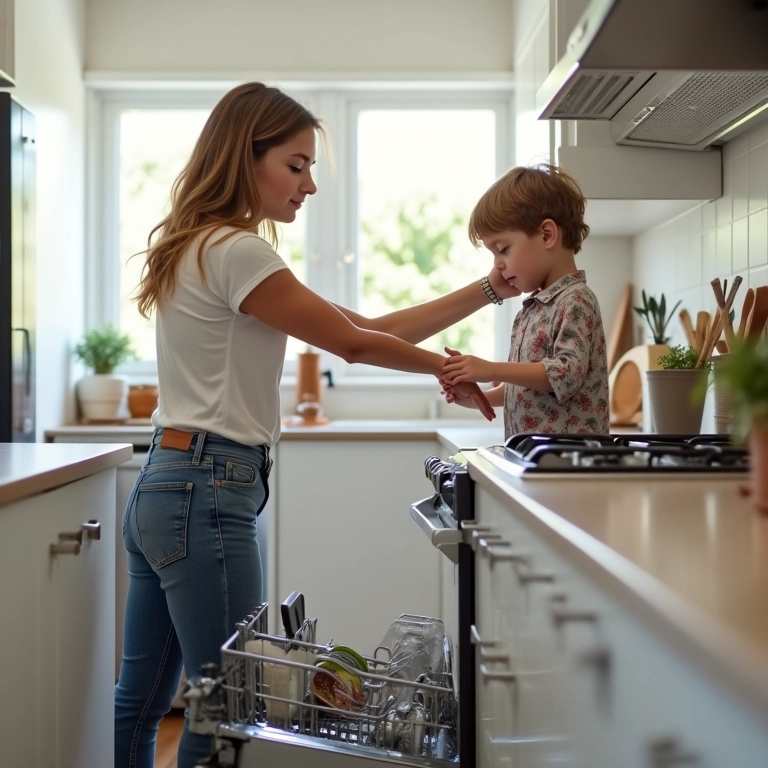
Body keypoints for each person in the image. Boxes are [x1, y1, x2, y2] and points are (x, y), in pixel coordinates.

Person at [114, 81, 517, 768]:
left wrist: (488, 289)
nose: (310, 185)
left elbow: (365, 327)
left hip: (165, 487)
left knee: (145, 700)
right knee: (227, 706)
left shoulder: (199, 245)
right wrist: (453, 373)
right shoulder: (240, 252)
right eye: (296, 165)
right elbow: (355, 345)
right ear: (248, 157)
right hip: (209, 492)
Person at [440, 163, 610, 436]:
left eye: (503, 249)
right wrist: (478, 398)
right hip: (540, 460)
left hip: (569, 463)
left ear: (546, 234)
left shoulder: (576, 300)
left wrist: (490, 369)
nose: (497, 265)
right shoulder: (533, 310)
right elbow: (528, 385)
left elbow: (565, 373)